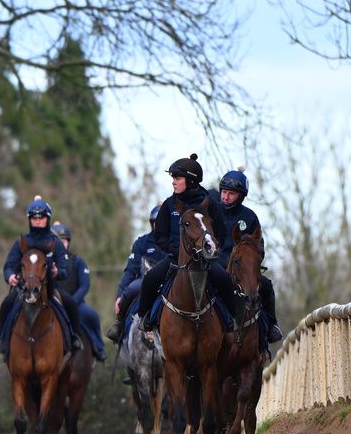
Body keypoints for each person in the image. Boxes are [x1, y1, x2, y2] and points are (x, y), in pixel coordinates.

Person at [135, 153, 242, 332]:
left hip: (204, 262)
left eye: (177, 178)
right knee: (150, 279)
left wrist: (210, 251)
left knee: (224, 279)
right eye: (173, 179)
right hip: (176, 260)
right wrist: (177, 251)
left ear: (190, 181)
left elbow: (221, 233)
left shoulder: (210, 204)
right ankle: (144, 317)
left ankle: (231, 319)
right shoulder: (169, 205)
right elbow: (159, 235)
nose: (173, 182)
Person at [0, 197, 83, 359]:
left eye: (41, 218)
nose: (37, 221)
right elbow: (9, 265)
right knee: (7, 303)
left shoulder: (55, 243)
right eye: (34, 218)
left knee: (70, 302)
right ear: (29, 220)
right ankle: (3, 340)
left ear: (48, 219)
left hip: (49, 289)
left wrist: (59, 271)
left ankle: (74, 338)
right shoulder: (22, 242)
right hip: (23, 288)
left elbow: (65, 269)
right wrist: (10, 277)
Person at [208, 167, 284, 343]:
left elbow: (259, 245)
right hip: (215, 265)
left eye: (231, 194)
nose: (226, 197)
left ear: (241, 196)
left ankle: (271, 326)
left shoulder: (249, 217)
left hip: (241, 270)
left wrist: (251, 262)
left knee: (266, 285)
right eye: (224, 192)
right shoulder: (211, 212)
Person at [105, 204, 168, 344]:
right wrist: (120, 295)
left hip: (170, 281)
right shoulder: (142, 242)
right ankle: (119, 325)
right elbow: (131, 270)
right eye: (156, 222)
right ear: (152, 224)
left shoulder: (175, 242)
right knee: (131, 290)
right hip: (145, 282)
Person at [51, 221, 106, 361]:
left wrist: (72, 302)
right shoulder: (45, 262)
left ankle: (99, 347)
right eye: (56, 241)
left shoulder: (78, 261)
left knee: (92, 315)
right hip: (51, 303)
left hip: (75, 303)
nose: (60, 244)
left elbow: (84, 285)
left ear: (68, 242)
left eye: (62, 241)